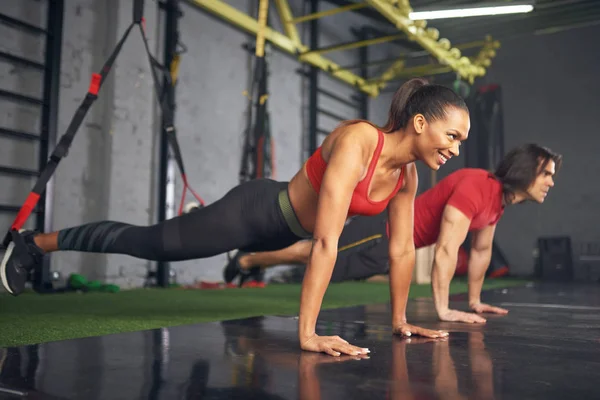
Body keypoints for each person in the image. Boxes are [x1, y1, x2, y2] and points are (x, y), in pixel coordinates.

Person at [1, 77, 469, 357]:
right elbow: (325, 244)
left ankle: (198, 221)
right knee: (151, 245)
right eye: (453, 135)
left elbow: (402, 249)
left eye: (462, 141)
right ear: (421, 123)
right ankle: (31, 244)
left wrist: (400, 320)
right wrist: (307, 334)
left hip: (281, 230)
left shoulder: (407, 177)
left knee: (174, 241)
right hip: (254, 213)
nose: (455, 148)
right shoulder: (358, 142)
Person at [222, 144, 562, 324]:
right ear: (524, 171)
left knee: (333, 270)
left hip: (395, 248)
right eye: (546, 173)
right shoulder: (478, 186)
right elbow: (446, 249)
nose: (551, 181)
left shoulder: (497, 203)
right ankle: (250, 258)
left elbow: (481, 251)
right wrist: (442, 310)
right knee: (316, 255)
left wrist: (474, 302)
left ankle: (253, 260)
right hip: (383, 232)